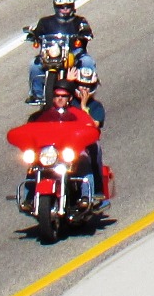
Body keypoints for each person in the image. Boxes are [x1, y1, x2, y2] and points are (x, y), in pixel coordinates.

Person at [22, 79, 100, 210]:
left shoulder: (78, 114)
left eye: (63, 96)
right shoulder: (43, 116)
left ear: (69, 98)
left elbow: (90, 128)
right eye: (57, 96)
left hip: (69, 152)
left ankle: (86, 196)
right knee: (33, 165)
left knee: (84, 160)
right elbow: (31, 131)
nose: (59, 99)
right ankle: (28, 198)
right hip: (50, 153)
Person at [25, 0, 96, 105]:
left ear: (72, 7)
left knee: (87, 61)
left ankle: (87, 89)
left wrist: (85, 33)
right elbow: (38, 33)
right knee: (35, 64)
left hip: (74, 52)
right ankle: (36, 94)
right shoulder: (45, 21)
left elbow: (87, 31)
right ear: (56, 8)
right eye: (62, 7)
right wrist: (33, 35)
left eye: (68, 6)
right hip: (52, 52)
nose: (65, 9)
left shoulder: (80, 21)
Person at [70, 66, 106, 197]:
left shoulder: (96, 107)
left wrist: (84, 107)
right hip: (65, 141)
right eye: (81, 85)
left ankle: (93, 192)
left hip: (85, 144)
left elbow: (94, 124)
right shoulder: (67, 100)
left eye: (87, 86)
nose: (84, 89)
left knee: (92, 154)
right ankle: (31, 196)